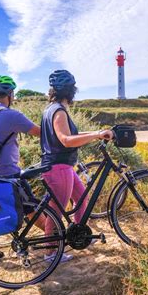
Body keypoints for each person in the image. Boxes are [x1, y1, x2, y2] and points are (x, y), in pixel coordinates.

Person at [41, 70, 113, 262]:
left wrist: (97, 132)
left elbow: (74, 134)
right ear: (71, 91)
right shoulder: (58, 111)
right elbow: (66, 140)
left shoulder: (52, 109)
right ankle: (50, 252)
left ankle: (79, 235)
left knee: (81, 197)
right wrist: (97, 135)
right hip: (58, 167)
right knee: (56, 209)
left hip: (62, 166)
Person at [0, 75, 45, 264]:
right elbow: (39, 132)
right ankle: (52, 244)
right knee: (30, 209)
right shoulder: (12, 115)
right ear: (10, 94)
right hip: (6, 173)